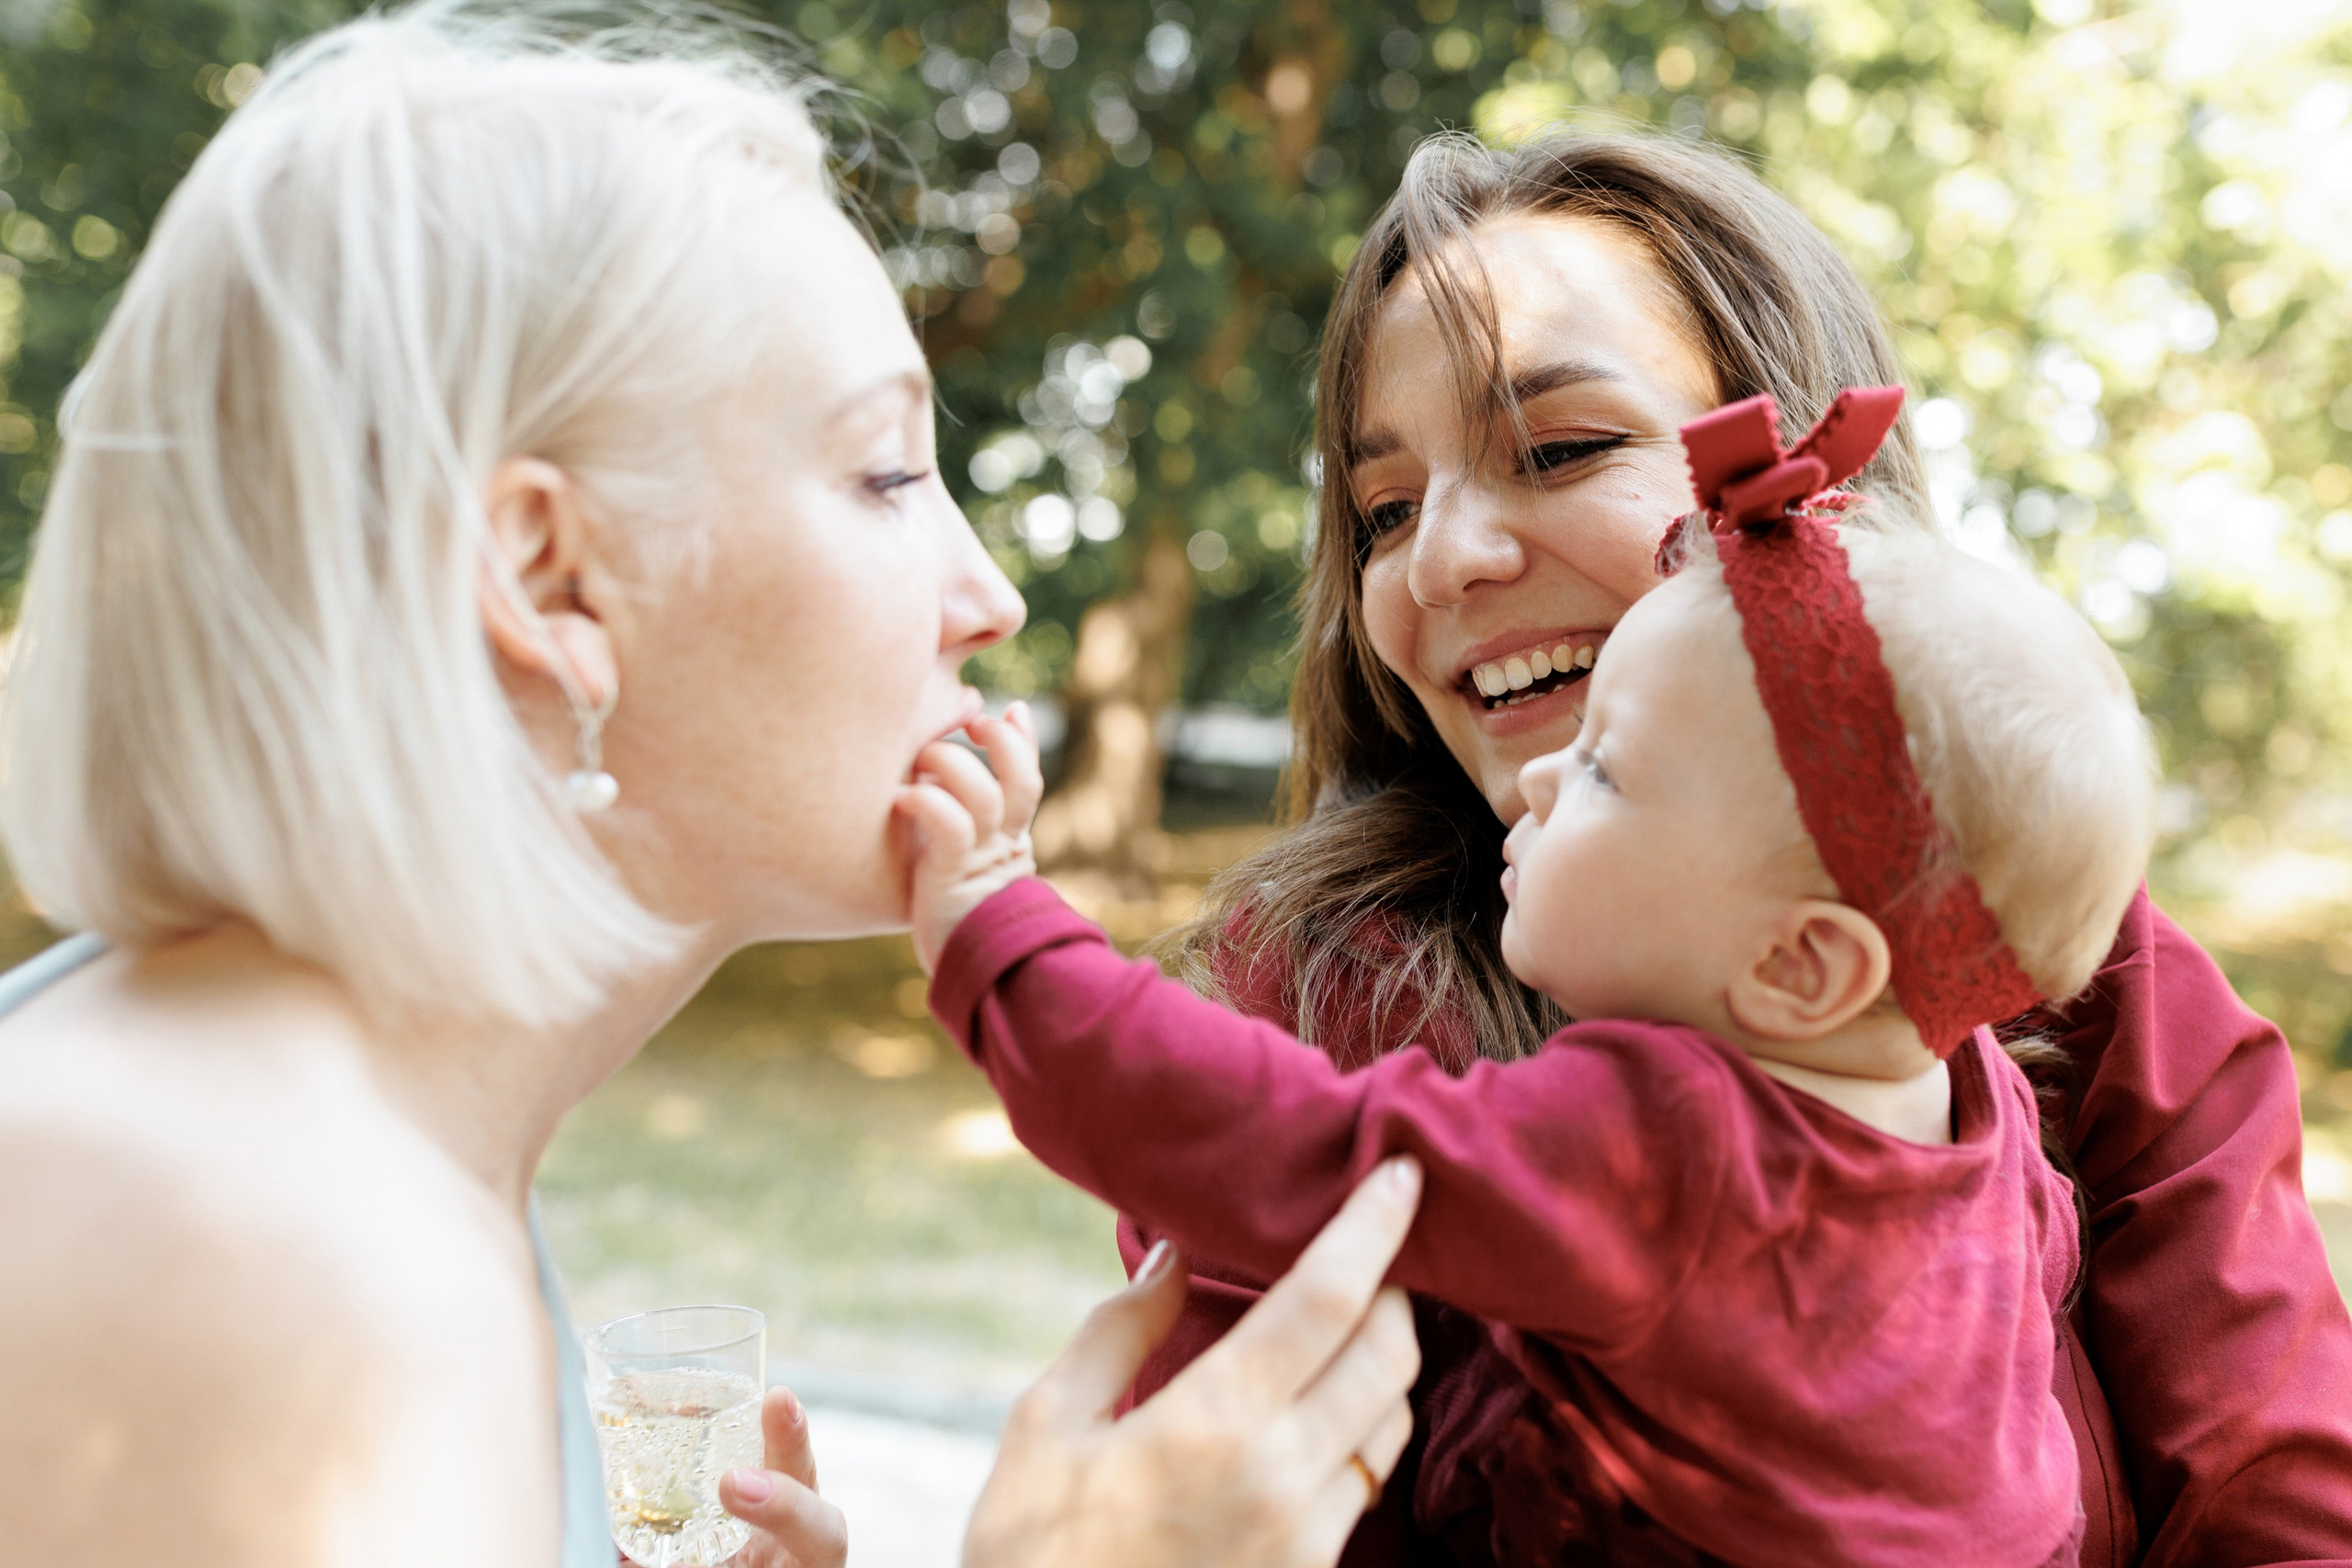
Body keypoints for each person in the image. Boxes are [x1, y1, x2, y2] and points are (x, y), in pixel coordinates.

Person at [0, 11, 1419, 1567]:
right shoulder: (266, 1247)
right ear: (551, 580)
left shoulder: (306, 1145)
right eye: (886, 474)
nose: (990, 595)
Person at [1121, 130, 2352, 1567]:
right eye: (1385, 510)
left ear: (1805, 500)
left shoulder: (2071, 960)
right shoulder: (1310, 1012)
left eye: (1565, 448)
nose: (1440, 561)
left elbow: (2279, 1508)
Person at [896, 387, 2153, 1564]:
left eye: (1606, 769)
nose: (1545, 777)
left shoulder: (1662, 1146)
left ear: (1805, 961)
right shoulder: (1977, 1126)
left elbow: (1261, 1137)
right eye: (1383, 511)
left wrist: (997, 924)